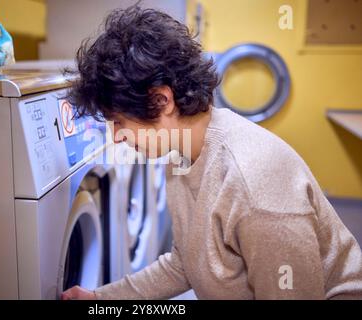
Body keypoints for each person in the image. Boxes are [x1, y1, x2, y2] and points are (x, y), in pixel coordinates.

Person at [61, 5, 362, 300]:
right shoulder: (181, 153)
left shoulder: (253, 184)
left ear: (161, 100)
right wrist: (100, 297)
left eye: (119, 122)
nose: (115, 137)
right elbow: (186, 263)